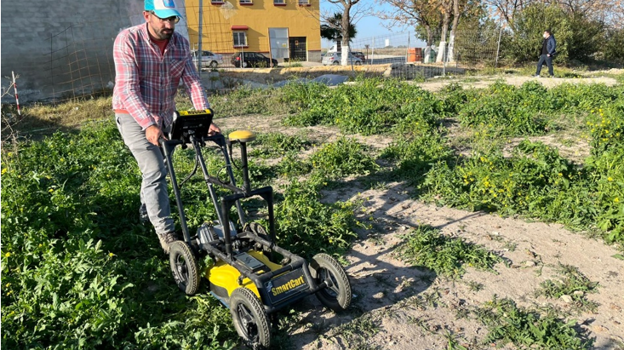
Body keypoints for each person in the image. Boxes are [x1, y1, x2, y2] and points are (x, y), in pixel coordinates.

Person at [112, 0, 220, 254]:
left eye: (172, 19)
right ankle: (166, 232)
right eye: (163, 19)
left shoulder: (180, 43)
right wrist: (148, 123)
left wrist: (205, 117)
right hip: (130, 113)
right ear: (147, 15)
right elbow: (127, 89)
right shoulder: (127, 40)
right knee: (154, 169)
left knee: (159, 166)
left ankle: (146, 208)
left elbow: (193, 82)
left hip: (163, 115)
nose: (169, 25)